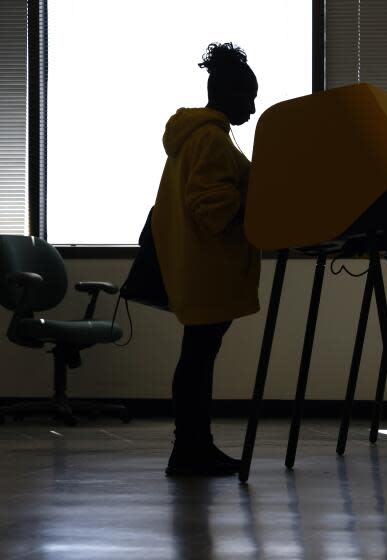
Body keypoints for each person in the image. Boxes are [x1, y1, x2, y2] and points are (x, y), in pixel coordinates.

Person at [152, 42, 260, 476]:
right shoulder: (211, 140)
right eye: (248, 97)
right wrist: (258, 200)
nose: (253, 107)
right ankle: (191, 449)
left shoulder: (190, 138)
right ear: (228, 94)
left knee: (195, 357)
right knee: (198, 359)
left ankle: (194, 446)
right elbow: (213, 210)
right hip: (210, 268)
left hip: (195, 265)